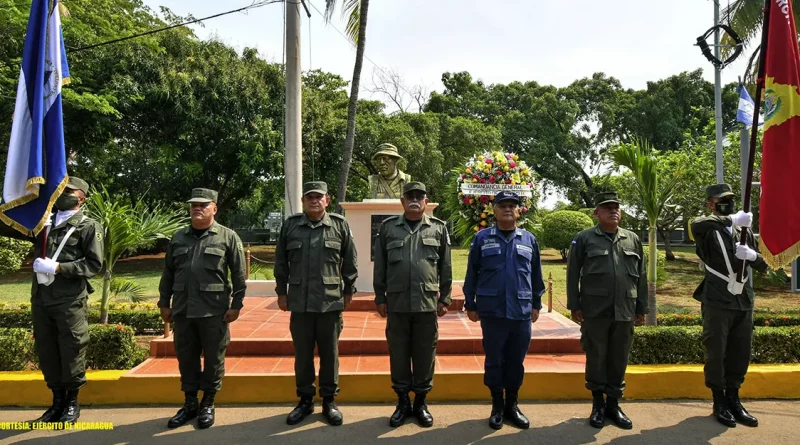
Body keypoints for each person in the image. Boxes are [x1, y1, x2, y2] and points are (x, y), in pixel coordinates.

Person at [158, 188, 247, 429]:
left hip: (214, 312)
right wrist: (164, 303)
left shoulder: (228, 237)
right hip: (184, 311)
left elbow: (239, 276)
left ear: (214, 208)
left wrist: (236, 305)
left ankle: (208, 402)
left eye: (203, 205)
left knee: (213, 359)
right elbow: (168, 273)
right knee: (186, 359)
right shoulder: (178, 238)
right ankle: (189, 404)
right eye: (193, 205)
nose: (197, 208)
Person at [274, 181, 358, 426]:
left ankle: (329, 400)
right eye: (309, 197)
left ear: (327, 200)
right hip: (299, 303)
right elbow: (281, 262)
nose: (314, 200)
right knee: (302, 355)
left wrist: (348, 289)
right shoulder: (291, 227)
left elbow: (350, 260)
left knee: (330, 354)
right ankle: (305, 400)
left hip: (329, 302)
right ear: (303, 201)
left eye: (318, 197)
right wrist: (281, 291)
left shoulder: (339, 225)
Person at [463, 191, 545, 430]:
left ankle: (512, 405)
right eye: (503, 206)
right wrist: (470, 303)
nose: (508, 209)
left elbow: (536, 275)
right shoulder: (482, 239)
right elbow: (472, 273)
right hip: (492, 311)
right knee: (494, 360)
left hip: (521, 311)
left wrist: (537, 303)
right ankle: (497, 405)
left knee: (516, 361)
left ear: (519, 211)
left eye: (512, 206)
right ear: (494, 211)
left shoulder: (528, 239)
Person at [373, 181, 452, 428]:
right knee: (398, 354)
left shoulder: (438, 229)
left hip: (427, 304)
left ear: (426, 201)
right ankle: (402, 402)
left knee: (424, 354)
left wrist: (445, 297)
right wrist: (380, 297)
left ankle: (420, 402)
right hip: (396, 303)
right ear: (403, 201)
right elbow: (381, 267)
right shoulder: (388, 229)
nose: (415, 200)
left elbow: (445, 267)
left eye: (420, 196)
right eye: (410, 196)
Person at [566, 192, 647, 430]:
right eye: (607, 208)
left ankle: (613, 404)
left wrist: (641, 306)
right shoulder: (584, 238)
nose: (614, 211)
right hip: (595, 310)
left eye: (616, 207)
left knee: (619, 357)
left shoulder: (632, 239)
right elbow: (572, 274)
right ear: (597, 213)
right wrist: (575, 305)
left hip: (625, 309)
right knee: (597, 357)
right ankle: (597, 405)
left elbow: (641, 275)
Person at [690, 183, 767, 428]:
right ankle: (719, 400)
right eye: (721, 199)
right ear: (710, 203)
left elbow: (763, 265)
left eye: (730, 199)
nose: (728, 202)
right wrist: (732, 220)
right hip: (717, 300)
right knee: (716, 350)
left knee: (740, 351)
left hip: (743, 299)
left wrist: (753, 256)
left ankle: (734, 398)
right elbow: (698, 224)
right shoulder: (706, 226)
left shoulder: (743, 229)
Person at [29, 177, 103, 426]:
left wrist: (59, 267)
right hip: (41, 299)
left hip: (69, 300)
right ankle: (56, 401)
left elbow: (94, 264)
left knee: (71, 349)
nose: (62, 194)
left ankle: (71, 402)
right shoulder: (42, 222)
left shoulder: (88, 226)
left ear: (81, 198)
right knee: (47, 351)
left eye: (68, 191)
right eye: (60, 190)